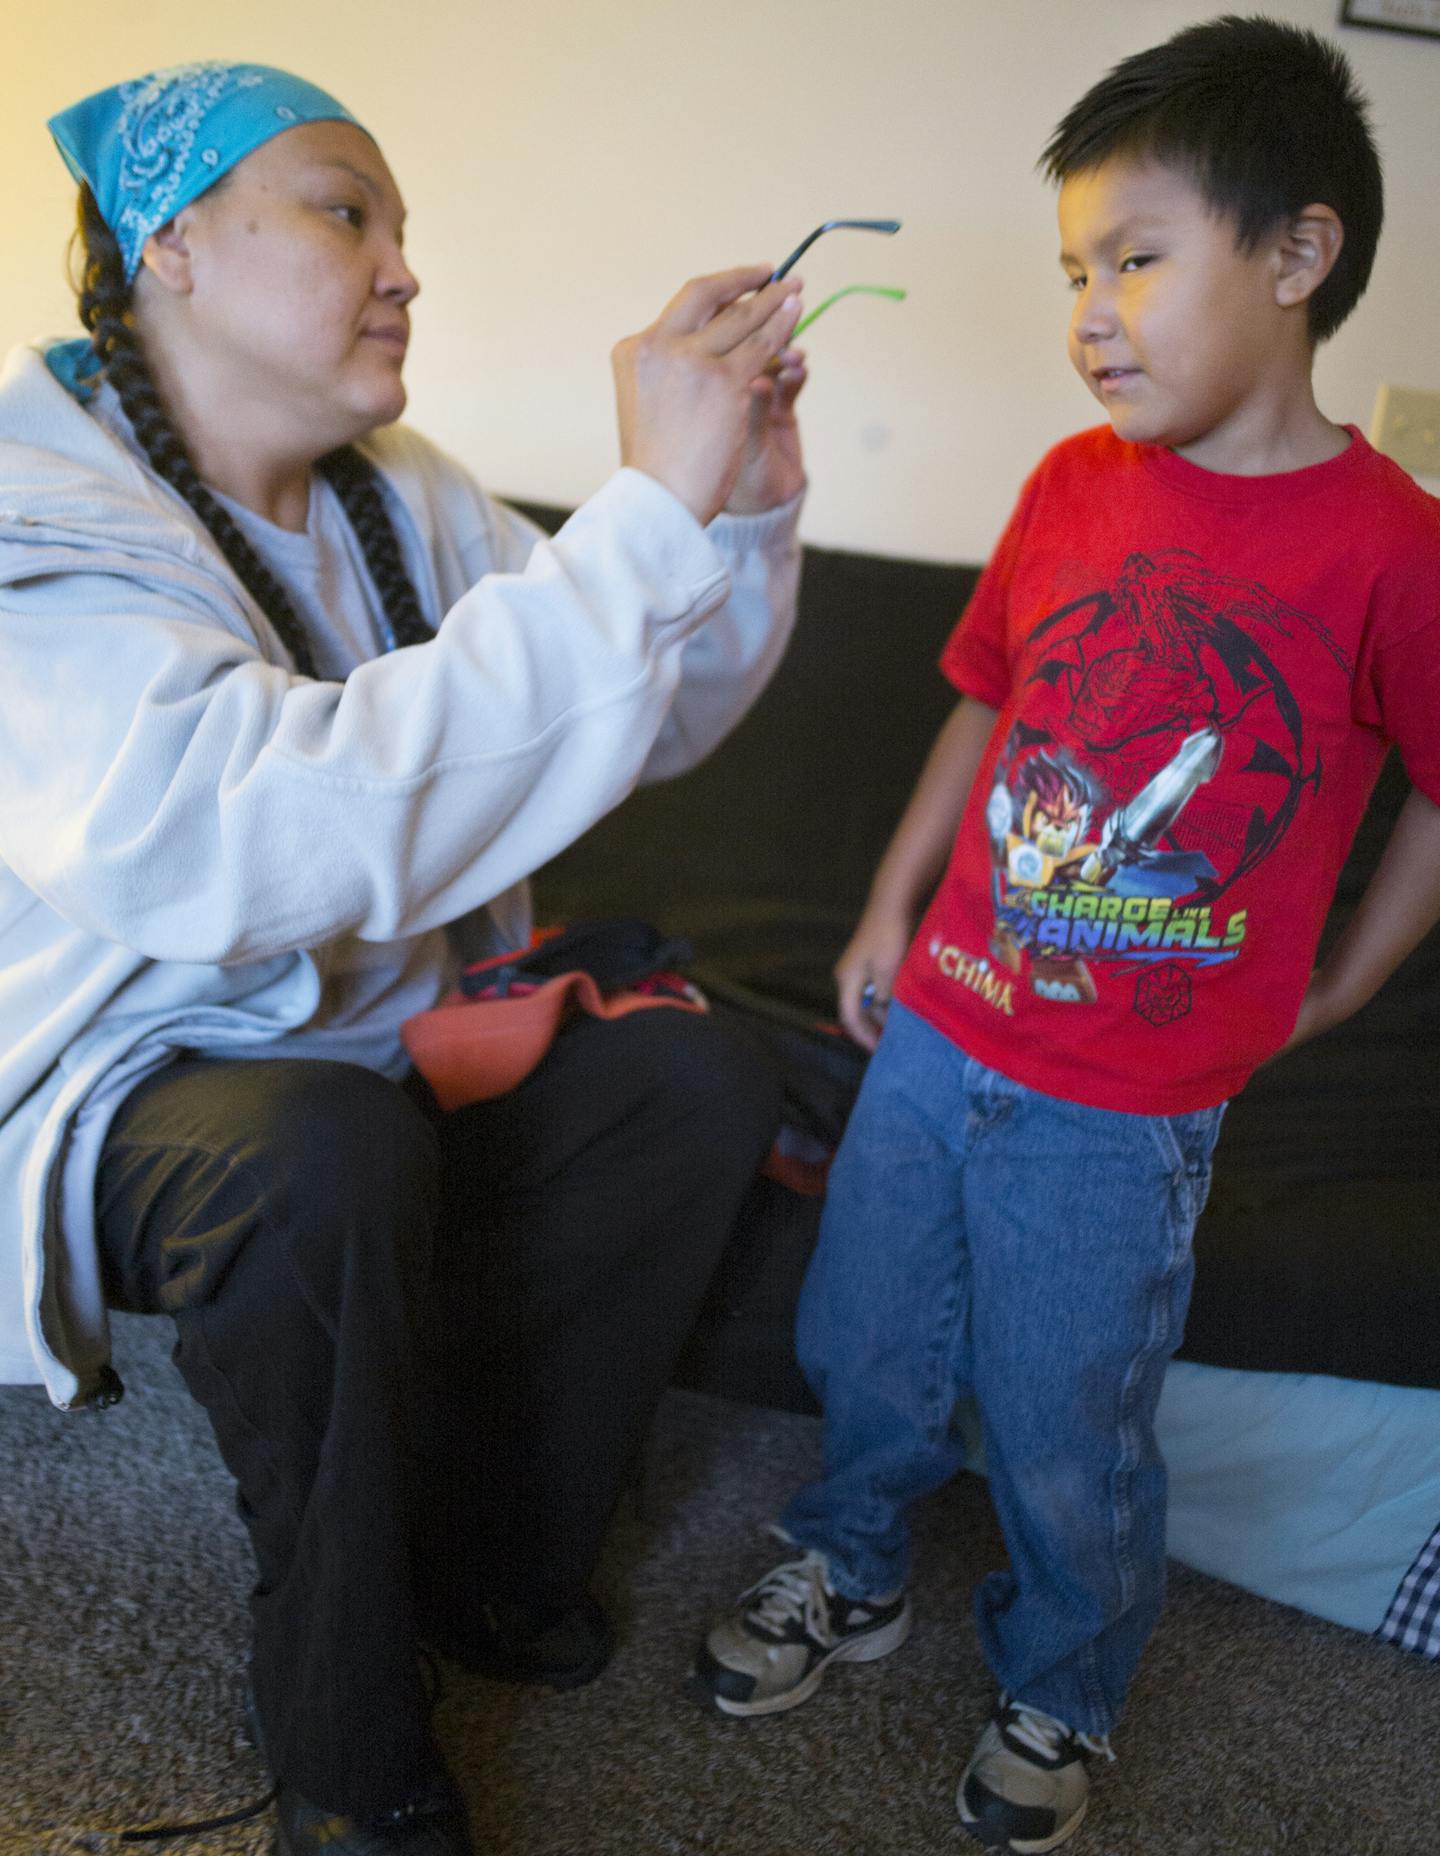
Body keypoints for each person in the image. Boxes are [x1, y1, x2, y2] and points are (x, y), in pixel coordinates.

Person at [0, 59, 811, 1856]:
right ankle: (347, 1756)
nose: (403, 268)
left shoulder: (399, 488)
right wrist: (640, 523)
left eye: (404, 227)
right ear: (175, 249)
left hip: (383, 1033)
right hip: (122, 1075)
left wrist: (731, 507)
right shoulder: (32, 521)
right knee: (316, 1155)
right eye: (344, 212)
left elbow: (632, 712)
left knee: (692, 1075)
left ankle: (492, 1568)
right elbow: (244, 844)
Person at [692, 17, 1440, 1853]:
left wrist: (1343, 980)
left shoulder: (1394, 550)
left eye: (1137, 258)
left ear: (1298, 252)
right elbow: (983, 700)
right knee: (864, 1332)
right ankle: (848, 1561)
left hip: (1131, 1101)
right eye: (1073, 273)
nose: (1092, 311)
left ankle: (1065, 1674)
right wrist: (887, 906)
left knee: (1066, 1415)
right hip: (947, 1024)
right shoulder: (1068, 482)